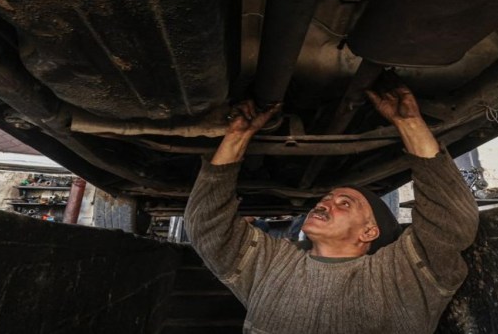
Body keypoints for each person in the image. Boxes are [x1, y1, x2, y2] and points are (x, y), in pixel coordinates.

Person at [184, 76, 479, 334]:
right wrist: (236, 136)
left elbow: (450, 221)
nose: (324, 204)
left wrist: (410, 124)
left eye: (344, 203)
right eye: (326, 198)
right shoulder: (271, 264)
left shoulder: (401, 275)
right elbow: (209, 228)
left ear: (369, 232)